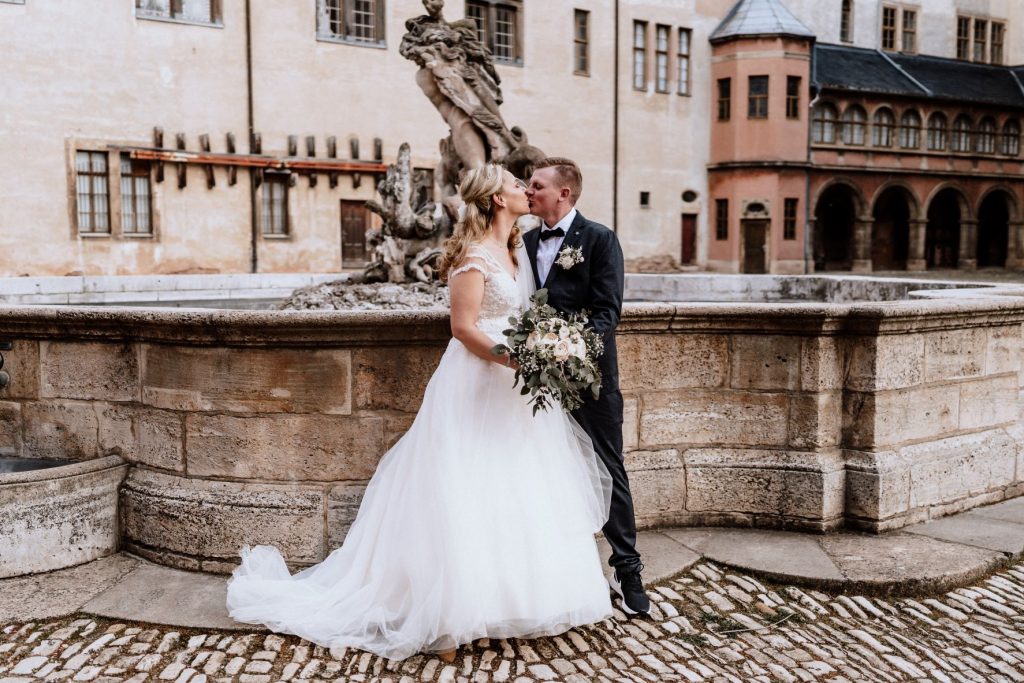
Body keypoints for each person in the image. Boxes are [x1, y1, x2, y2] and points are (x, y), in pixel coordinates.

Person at [225, 164, 614, 661]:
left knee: (513, 486)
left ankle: (500, 604)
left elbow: (529, 314)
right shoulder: (473, 256)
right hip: (477, 380)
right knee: (462, 487)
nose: (524, 189)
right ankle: (450, 616)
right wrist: (515, 358)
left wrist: (541, 354)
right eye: (516, 184)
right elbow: (463, 327)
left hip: (517, 391)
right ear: (496, 199)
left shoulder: (518, 250)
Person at [524, 157, 651, 615]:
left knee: (609, 469)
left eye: (536, 185)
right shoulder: (523, 242)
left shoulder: (599, 239)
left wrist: (566, 351)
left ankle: (628, 570)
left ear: (565, 193)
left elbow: (607, 312)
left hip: (591, 380)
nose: (528, 190)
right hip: (535, 382)